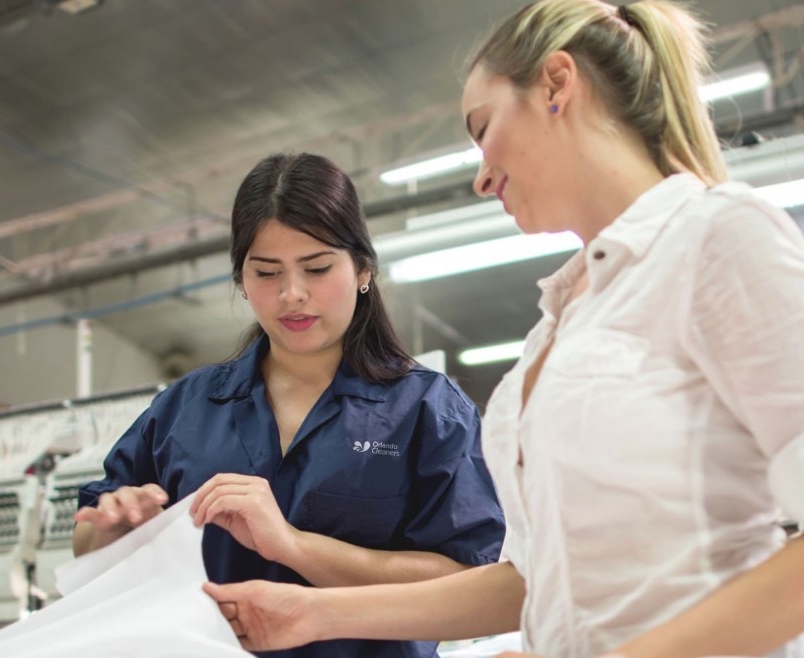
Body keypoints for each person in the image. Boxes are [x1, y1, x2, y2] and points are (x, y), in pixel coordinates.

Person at [202, 2, 804, 657]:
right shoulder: (566, 315)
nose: (482, 176)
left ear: (556, 85)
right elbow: (530, 584)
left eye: (483, 130)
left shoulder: (718, 236)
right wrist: (316, 614)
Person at [73, 153, 506, 658]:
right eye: (266, 272)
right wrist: (113, 531)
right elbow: (88, 549)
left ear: (363, 269)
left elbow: (467, 581)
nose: (292, 294)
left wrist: (294, 545)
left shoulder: (427, 408)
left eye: (317, 268)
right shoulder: (183, 411)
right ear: (241, 281)